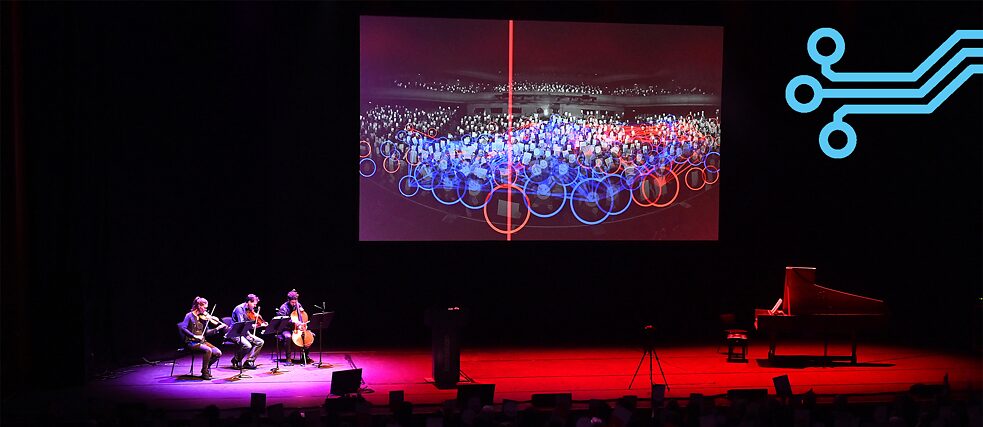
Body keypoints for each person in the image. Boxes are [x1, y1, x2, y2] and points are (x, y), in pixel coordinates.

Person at [179, 296, 226, 379]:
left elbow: (207, 333)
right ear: (199, 306)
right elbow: (183, 328)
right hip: (191, 342)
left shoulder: (203, 318)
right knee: (208, 350)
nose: (206, 310)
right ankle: (204, 372)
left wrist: (217, 328)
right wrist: (194, 335)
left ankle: (206, 368)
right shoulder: (189, 316)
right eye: (204, 308)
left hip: (202, 341)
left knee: (218, 353)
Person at [277, 289, 314, 364]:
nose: (294, 304)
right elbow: (283, 321)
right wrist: (293, 322)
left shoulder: (298, 304)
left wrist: (302, 312)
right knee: (288, 337)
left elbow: (302, 317)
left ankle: (305, 356)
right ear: (288, 300)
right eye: (292, 302)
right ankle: (288, 358)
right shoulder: (283, 308)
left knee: (311, 335)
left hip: (297, 329)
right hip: (286, 328)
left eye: (295, 302)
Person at [230, 294, 266, 370]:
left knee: (260, 342)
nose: (255, 306)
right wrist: (252, 327)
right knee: (247, 345)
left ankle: (249, 361)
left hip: (244, 332)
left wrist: (259, 324)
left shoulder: (249, 310)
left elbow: (248, 324)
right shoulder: (239, 309)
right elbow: (242, 324)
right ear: (249, 302)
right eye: (254, 304)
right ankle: (235, 360)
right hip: (235, 333)